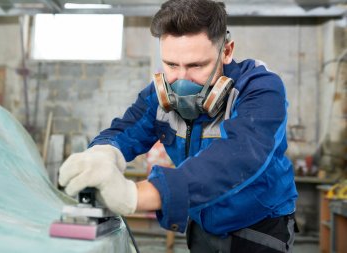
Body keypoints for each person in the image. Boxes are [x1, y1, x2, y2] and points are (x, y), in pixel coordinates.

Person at [58, 0, 298, 252]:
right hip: (202, 223)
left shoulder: (260, 88)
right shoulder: (160, 95)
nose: (181, 80)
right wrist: (103, 154)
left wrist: (136, 195)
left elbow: (239, 156)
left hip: (258, 228)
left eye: (196, 65)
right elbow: (125, 130)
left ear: (226, 52)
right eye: (171, 65)